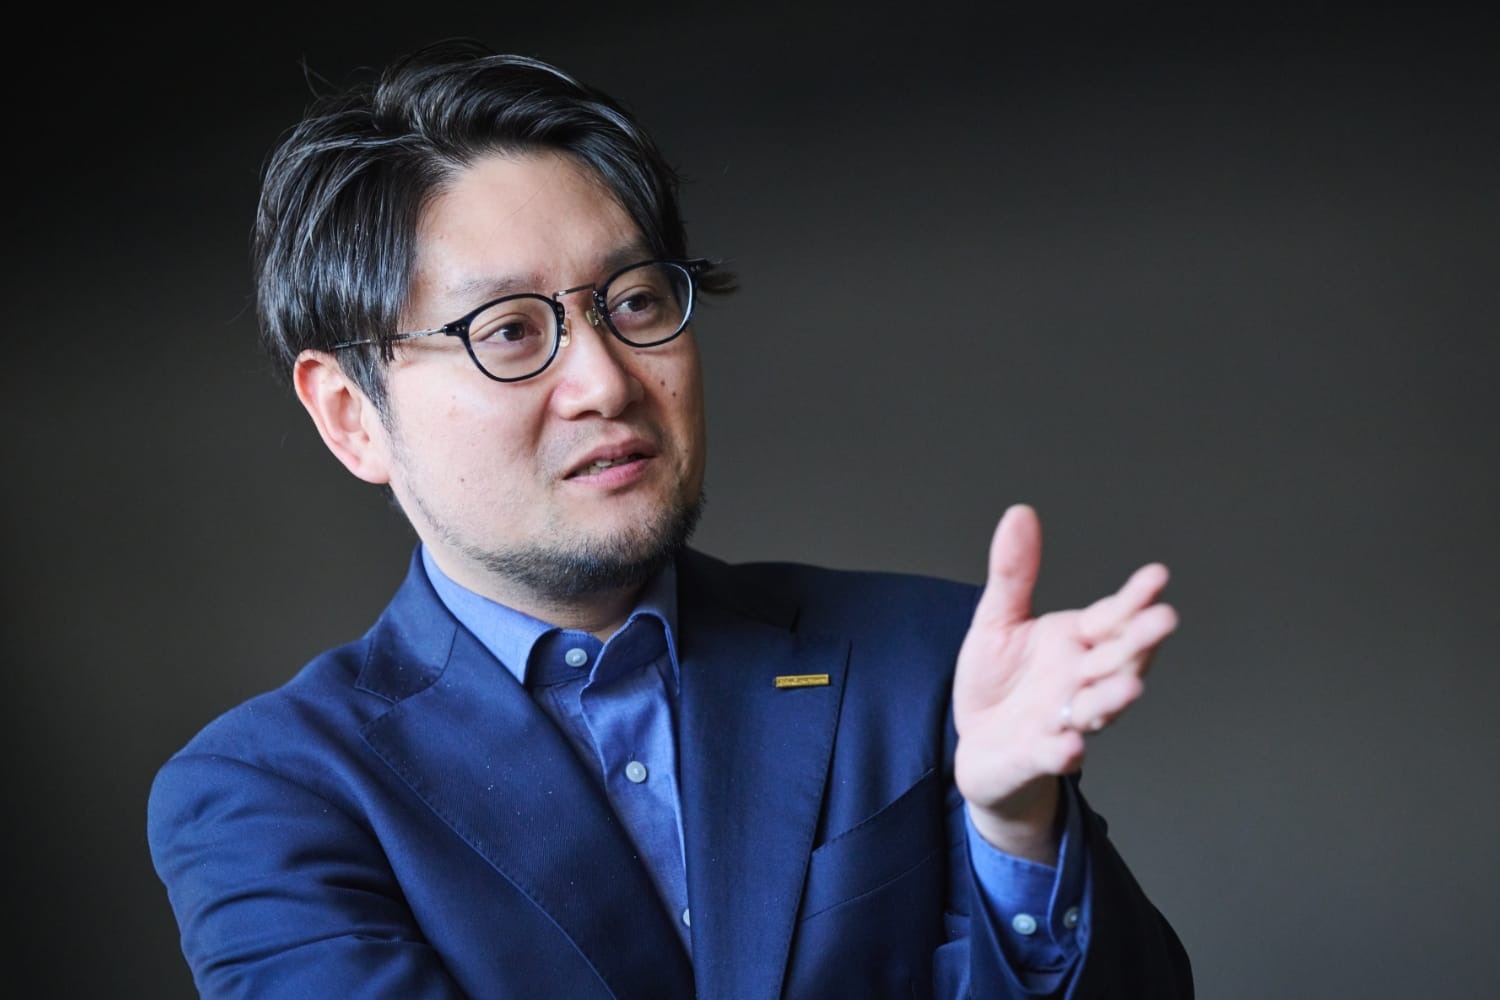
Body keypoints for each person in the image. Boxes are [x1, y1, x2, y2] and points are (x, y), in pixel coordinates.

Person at [148, 39, 1192, 999]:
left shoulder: (928, 663)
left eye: (635, 302)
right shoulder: (270, 795)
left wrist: (1016, 831)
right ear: (351, 415)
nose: (606, 381)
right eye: (509, 331)